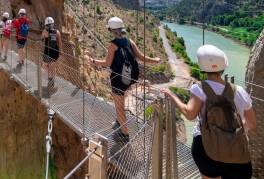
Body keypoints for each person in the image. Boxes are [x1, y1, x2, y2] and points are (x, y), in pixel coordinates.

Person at [161, 45, 256, 179]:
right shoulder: (239, 91)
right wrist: (229, 133)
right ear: (224, 66)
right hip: (236, 152)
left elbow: (190, 114)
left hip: (205, 149)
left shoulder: (198, 88)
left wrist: (173, 96)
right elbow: (251, 123)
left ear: (202, 67)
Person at [84, 16, 160, 143]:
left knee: (119, 107)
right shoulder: (130, 41)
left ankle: (124, 135)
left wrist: (92, 61)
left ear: (112, 31)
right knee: (121, 103)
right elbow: (141, 57)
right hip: (130, 78)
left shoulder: (112, 45)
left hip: (118, 79)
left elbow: (107, 63)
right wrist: (155, 61)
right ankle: (119, 122)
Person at [41, 17, 62, 88]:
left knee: (45, 65)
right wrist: (60, 51)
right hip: (55, 52)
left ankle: (50, 79)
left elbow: (41, 38)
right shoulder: (57, 32)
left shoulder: (45, 32)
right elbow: (59, 43)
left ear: (46, 24)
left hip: (47, 52)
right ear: (52, 24)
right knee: (53, 66)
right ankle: (52, 81)